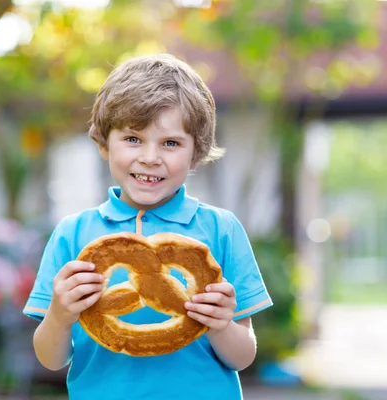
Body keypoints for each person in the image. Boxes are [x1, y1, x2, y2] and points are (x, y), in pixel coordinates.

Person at [23, 53, 272, 400]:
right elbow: (50, 358)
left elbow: (243, 356)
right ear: (104, 144)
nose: (150, 157)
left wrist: (220, 324)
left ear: (195, 153)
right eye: (133, 139)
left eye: (170, 143)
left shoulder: (221, 230)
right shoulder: (73, 234)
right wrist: (60, 315)